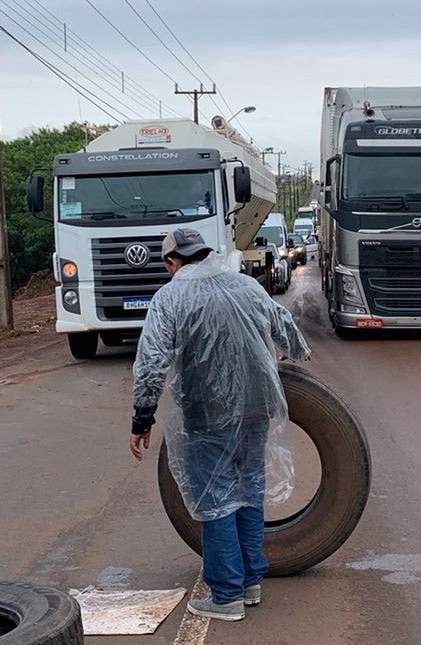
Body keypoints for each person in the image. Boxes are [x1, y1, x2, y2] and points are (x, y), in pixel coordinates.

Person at [128, 227, 311, 622]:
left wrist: (142, 417)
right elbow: (284, 324)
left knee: (215, 501)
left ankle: (226, 595)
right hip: (257, 407)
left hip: (206, 413)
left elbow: (151, 363)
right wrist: (298, 352)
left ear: (172, 262)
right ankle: (249, 582)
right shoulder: (245, 284)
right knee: (248, 492)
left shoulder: (171, 296)